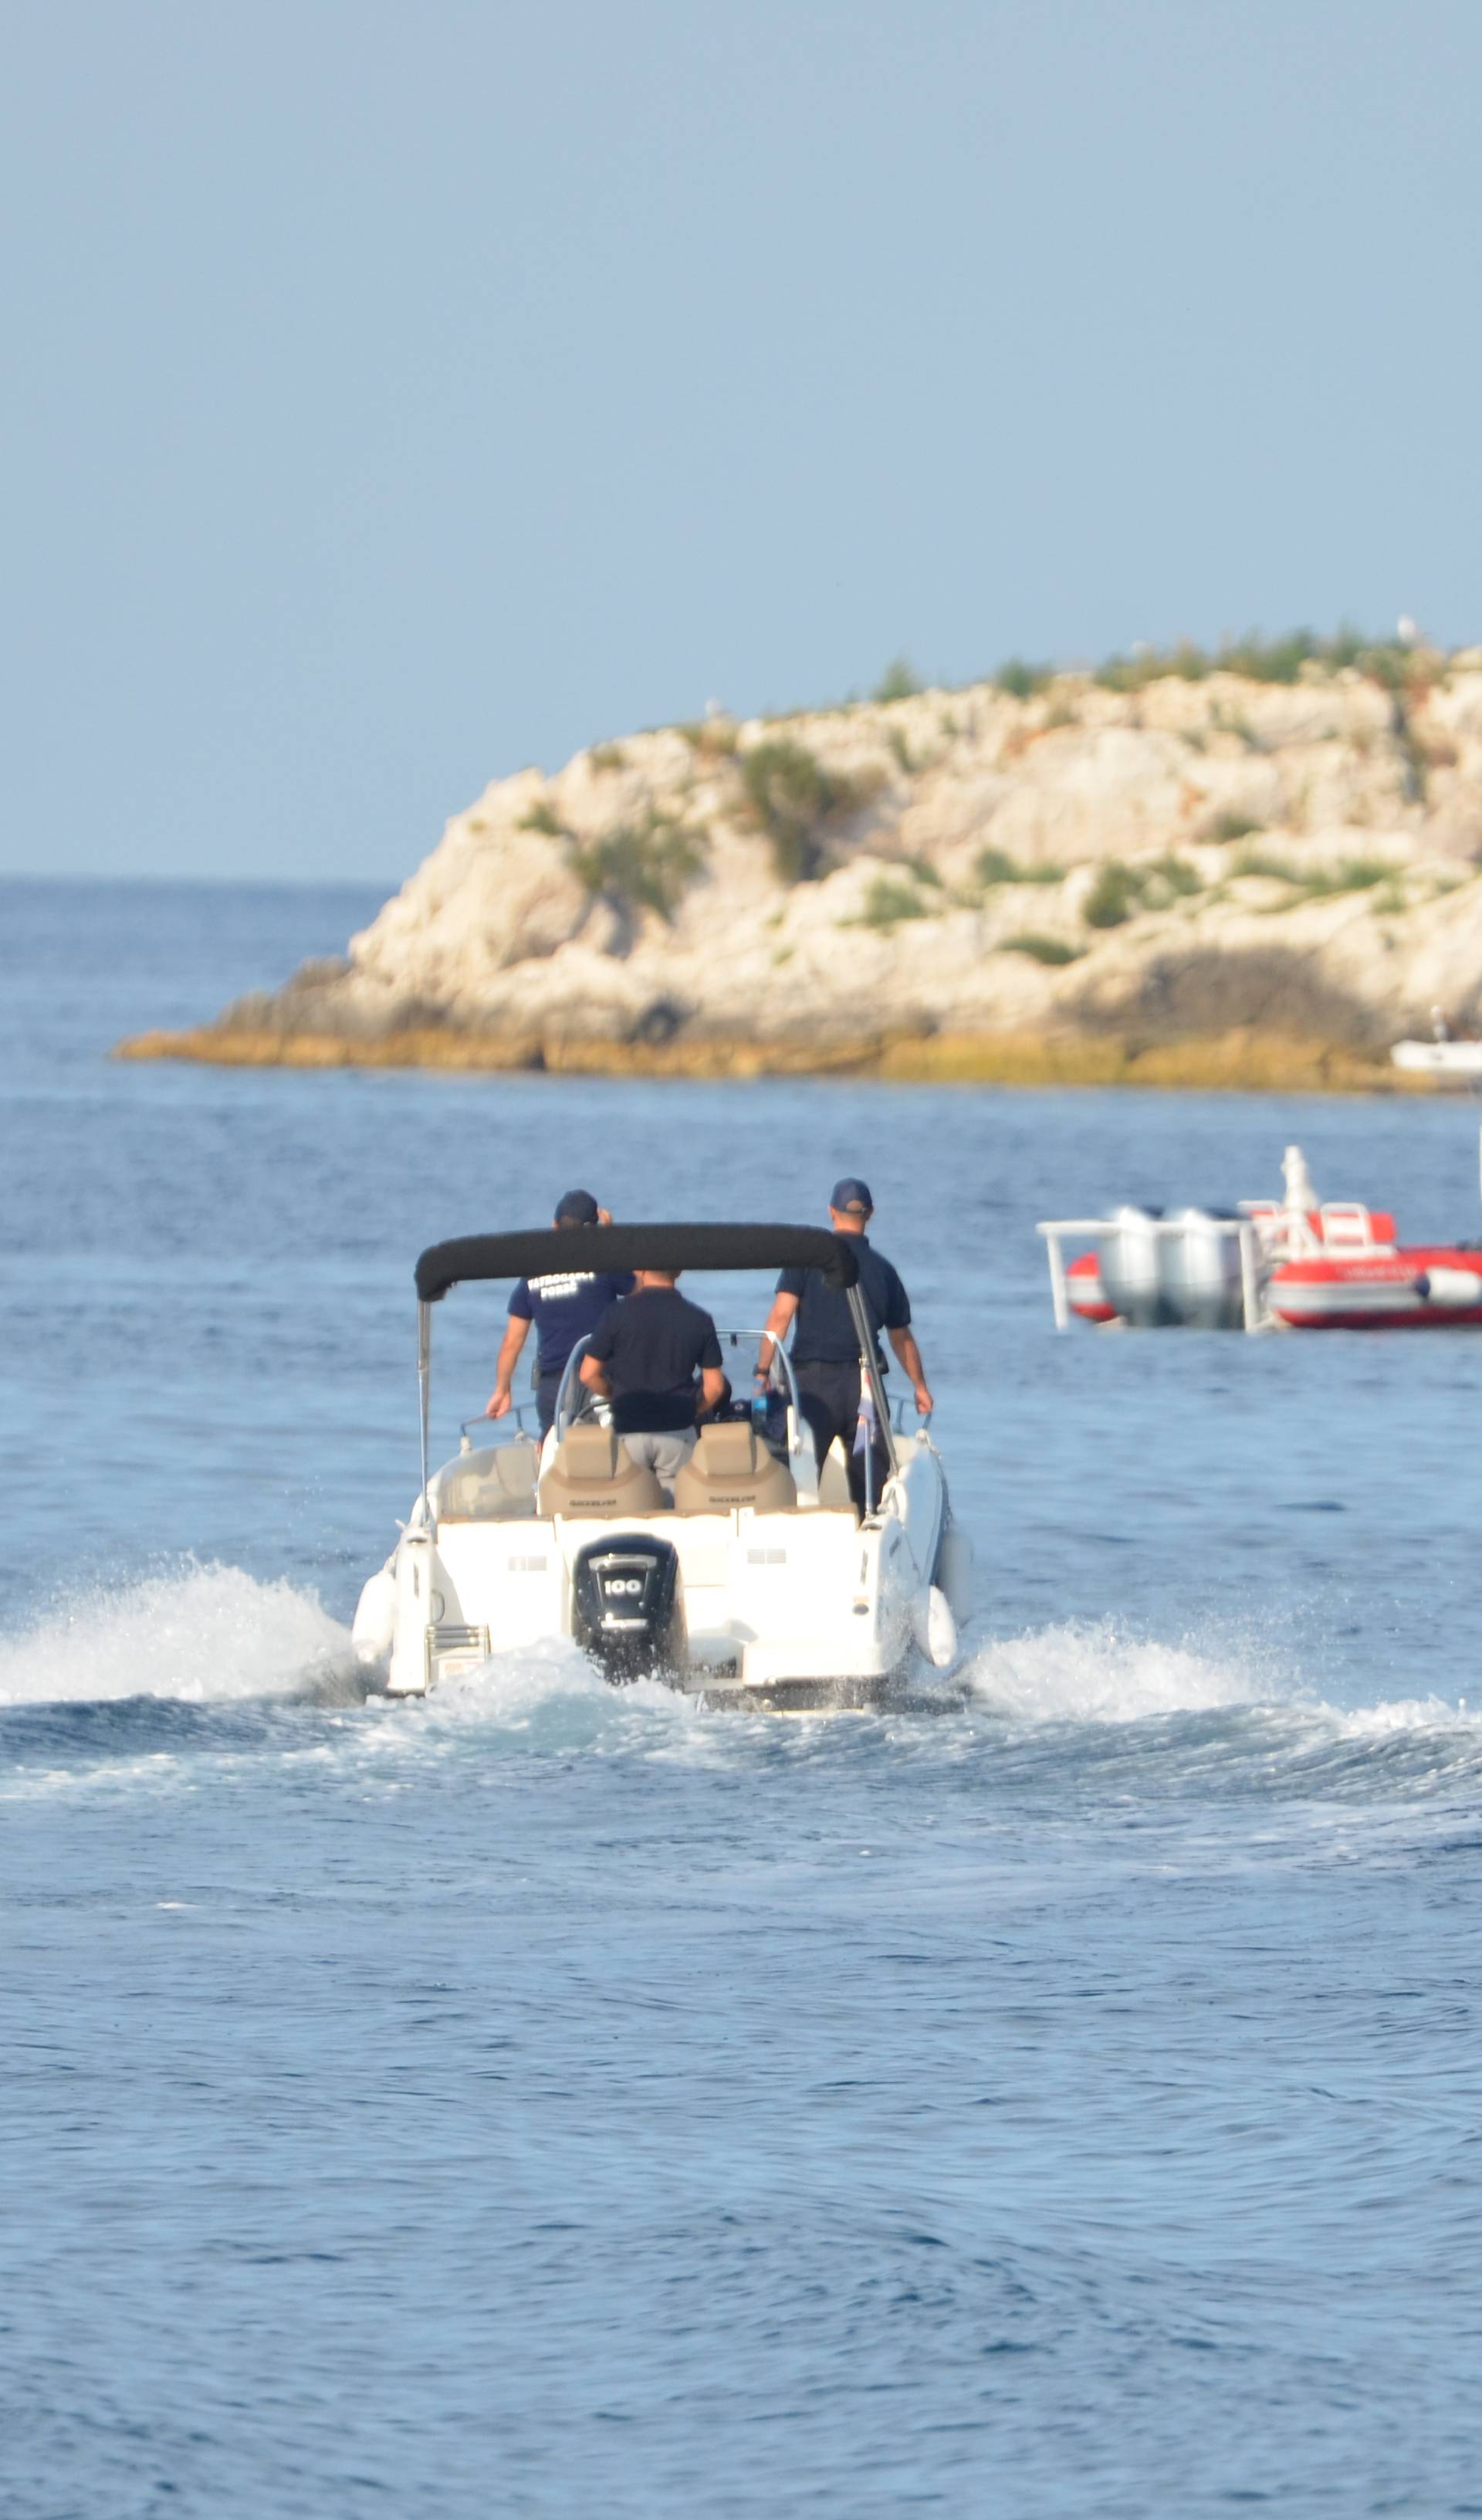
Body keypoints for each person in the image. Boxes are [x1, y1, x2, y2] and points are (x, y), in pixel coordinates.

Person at [756, 1177, 932, 1509]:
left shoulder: (806, 1261)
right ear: (871, 1214)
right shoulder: (884, 1271)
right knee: (868, 1483)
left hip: (812, 1390)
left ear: (831, 1212)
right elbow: (901, 1338)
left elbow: (781, 1317)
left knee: (800, 1479)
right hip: (864, 1392)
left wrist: (762, 1371)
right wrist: (920, 1387)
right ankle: (867, 1536)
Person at [486, 1191, 634, 1434]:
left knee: (556, 1453)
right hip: (599, 1376)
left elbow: (511, 1342)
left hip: (554, 1383)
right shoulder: (606, 1264)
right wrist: (611, 1240)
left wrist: (502, 1391)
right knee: (606, 1452)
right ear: (593, 1231)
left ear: (555, 1226)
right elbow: (642, 1288)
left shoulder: (534, 1274)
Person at [579, 1268, 726, 1492]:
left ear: (640, 1270)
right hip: (677, 1432)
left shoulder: (616, 1314)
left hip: (629, 1429)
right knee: (677, 1510)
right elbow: (715, 1388)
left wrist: (615, 1396)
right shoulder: (699, 1319)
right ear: (679, 1273)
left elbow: (588, 1374)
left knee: (631, 1504)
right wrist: (691, 1410)